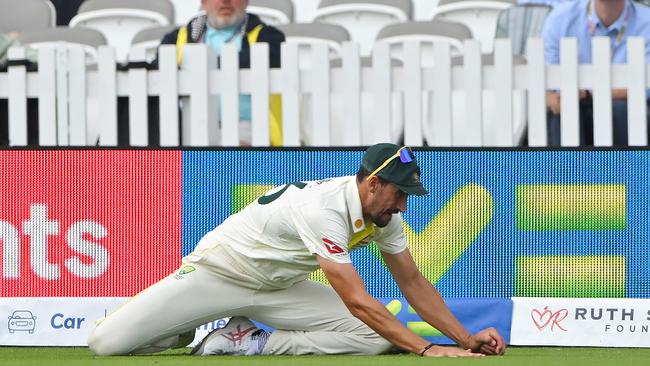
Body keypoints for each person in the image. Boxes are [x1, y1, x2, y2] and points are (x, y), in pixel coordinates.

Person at [87, 143, 507, 358]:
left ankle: (249, 342)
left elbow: (413, 282)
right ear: (373, 184)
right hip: (219, 273)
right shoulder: (324, 209)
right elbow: (357, 300)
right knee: (105, 344)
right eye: (400, 193)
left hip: (279, 288)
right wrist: (429, 349)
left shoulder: (384, 217)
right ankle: (181, 328)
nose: (403, 206)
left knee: (374, 339)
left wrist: (466, 340)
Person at [156, 0, 285, 146]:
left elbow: (267, 58)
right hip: (191, 126)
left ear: (246, 2)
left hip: (248, 124)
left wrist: (200, 67)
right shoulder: (177, 38)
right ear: (204, 3)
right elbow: (160, 74)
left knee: (233, 160)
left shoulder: (268, 36)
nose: (225, 1)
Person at [542, 0, 650, 146]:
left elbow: (646, 85)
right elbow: (550, 80)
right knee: (564, 112)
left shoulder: (646, 21)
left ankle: (623, 168)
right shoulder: (560, 19)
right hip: (574, 105)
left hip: (624, 112)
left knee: (622, 110)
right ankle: (566, 168)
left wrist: (589, 94)